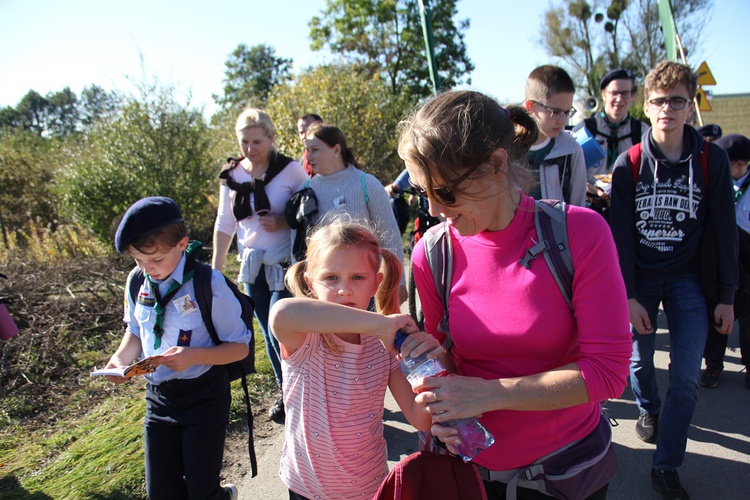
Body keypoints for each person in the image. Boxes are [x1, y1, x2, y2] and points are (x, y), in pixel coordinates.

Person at [398, 89, 632, 500]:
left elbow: (609, 373)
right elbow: (446, 360)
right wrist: (426, 365)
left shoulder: (579, 233)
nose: (434, 209)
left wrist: (490, 393)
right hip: (471, 472)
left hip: (565, 472)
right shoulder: (432, 252)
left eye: (446, 192)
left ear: (497, 165)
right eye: (423, 192)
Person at [608, 61, 738, 500]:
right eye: (660, 101)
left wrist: (726, 296)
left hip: (689, 281)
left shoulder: (711, 159)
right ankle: (648, 409)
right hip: (641, 279)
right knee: (640, 362)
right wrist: (626, 295)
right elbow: (620, 238)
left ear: (690, 105)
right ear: (648, 105)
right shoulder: (629, 164)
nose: (668, 109)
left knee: (684, 376)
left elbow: (724, 231)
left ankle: (666, 466)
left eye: (677, 101)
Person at [268, 220, 433, 499]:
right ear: (310, 283)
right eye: (331, 278)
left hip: (368, 488)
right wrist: (376, 324)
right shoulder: (305, 337)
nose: (344, 289)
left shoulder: (386, 346)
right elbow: (281, 314)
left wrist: (428, 374)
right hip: (306, 487)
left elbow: (420, 419)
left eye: (357, 277)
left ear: (376, 283)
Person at [106, 196, 250, 500]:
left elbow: (239, 348)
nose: (148, 268)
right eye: (139, 260)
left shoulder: (208, 283)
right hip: (158, 399)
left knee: (200, 492)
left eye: (156, 260)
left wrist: (193, 356)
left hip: (204, 395)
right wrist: (119, 362)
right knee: (161, 493)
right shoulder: (137, 282)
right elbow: (135, 331)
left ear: (182, 244)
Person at [213, 108, 309, 422]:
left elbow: (310, 209)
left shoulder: (290, 170)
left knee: (282, 329)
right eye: (245, 142)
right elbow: (224, 224)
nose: (250, 149)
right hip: (252, 268)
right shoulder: (232, 176)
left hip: (285, 264)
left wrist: (283, 220)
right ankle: (288, 394)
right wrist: (215, 270)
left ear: (271, 138)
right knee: (268, 334)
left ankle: (303, 387)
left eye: (257, 141)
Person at [302, 122, 407, 302]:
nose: (309, 156)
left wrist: (398, 281)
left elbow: (390, 236)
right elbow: (300, 242)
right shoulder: (306, 189)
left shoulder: (367, 184)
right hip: (328, 291)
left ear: (336, 149)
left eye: (315, 149)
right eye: (307, 150)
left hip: (368, 288)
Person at [701, 133, 750, 389]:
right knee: (717, 311)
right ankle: (713, 365)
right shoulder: (715, 183)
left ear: (740, 164)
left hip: (747, 256)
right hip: (719, 256)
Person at [581, 68, 649, 214]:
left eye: (625, 93)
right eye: (614, 93)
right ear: (604, 94)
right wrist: (590, 187)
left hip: (628, 208)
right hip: (591, 206)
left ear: (632, 96)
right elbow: (570, 173)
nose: (619, 99)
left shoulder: (642, 132)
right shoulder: (586, 129)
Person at [523, 65, 587, 206]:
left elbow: (578, 207)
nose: (563, 121)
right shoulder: (507, 149)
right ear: (530, 106)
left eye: (567, 112)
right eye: (556, 112)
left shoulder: (572, 150)